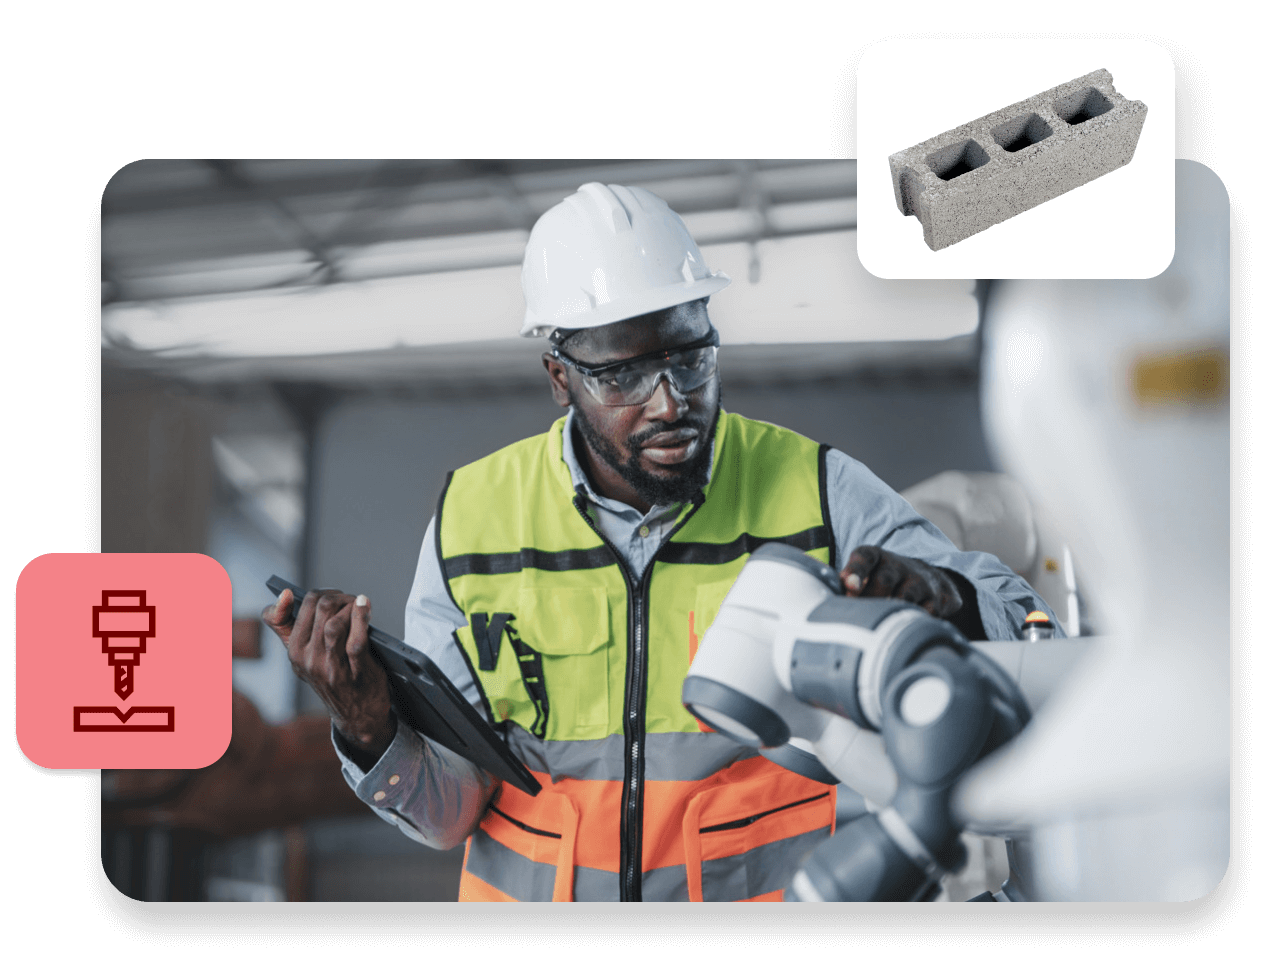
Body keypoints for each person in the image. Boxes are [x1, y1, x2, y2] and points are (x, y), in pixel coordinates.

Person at [263, 182, 1061, 902]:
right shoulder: (475, 518)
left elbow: (1032, 633)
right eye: (624, 377)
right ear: (559, 375)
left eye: (691, 358)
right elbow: (451, 815)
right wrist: (368, 728)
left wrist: (946, 602)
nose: (671, 402)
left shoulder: (812, 488)